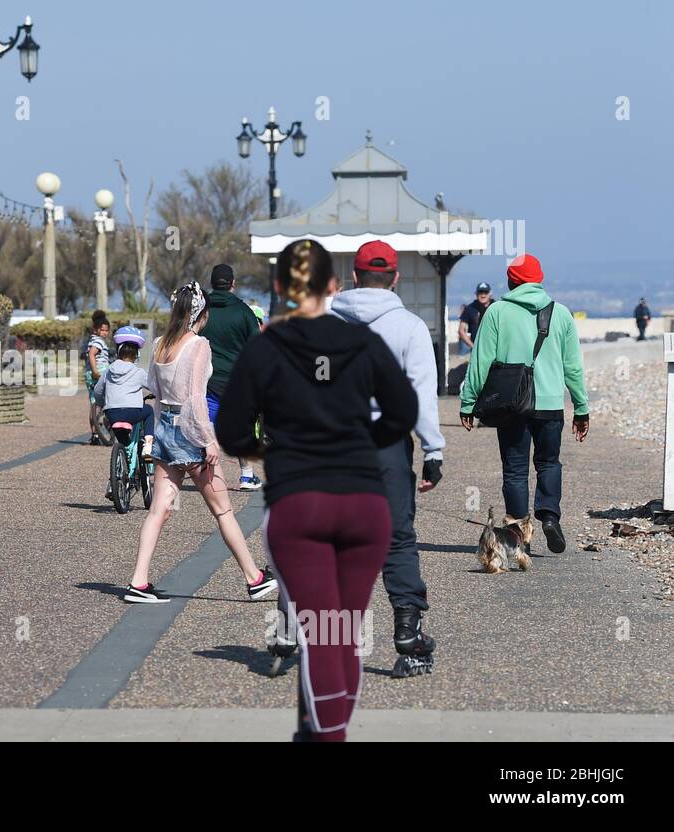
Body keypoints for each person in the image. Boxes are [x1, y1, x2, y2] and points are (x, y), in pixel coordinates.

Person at [217, 239, 417, 742]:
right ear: (334, 285)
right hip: (364, 504)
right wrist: (358, 443)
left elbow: (234, 433)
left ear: (280, 288)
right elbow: (403, 413)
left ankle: (326, 736)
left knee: (321, 634)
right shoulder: (363, 344)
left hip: (299, 503)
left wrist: (273, 451)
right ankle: (323, 731)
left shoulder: (266, 349)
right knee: (342, 633)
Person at [330, 240, 445, 677]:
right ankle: (408, 629)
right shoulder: (410, 327)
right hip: (388, 447)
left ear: (354, 276)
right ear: (395, 278)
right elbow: (420, 396)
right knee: (397, 538)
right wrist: (433, 450)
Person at [123, 281, 276, 604]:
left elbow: (154, 387)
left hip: (166, 425)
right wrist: (208, 442)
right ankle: (255, 578)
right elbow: (196, 397)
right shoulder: (198, 345)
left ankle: (138, 581)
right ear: (201, 314)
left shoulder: (162, 342)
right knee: (223, 510)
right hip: (191, 431)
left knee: (158, 510)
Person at [460, 254, 588, 554]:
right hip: (550, 404)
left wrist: (468, 402)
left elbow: (480, 361)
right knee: (548, 462)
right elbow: (573, 367)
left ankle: (518, 535)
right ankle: (550, 516)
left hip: (511, 406)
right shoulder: (562, 313)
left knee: (515, 470)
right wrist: (581, 407)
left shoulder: (496, 312)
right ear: (539, 279)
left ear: (510, 281)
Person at [199, 264, 263, 491]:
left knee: (205, 427)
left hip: (205, 380)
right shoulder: (244, 311)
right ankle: (246, 475)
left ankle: (206, 474)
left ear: (212, 283)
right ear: (233, 283)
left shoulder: (203, 311)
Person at [94, 326, 155, 499]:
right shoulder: (138, 372)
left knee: (123, 444)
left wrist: (104, 403)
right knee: (149, 411)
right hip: (132, 413)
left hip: (112, 413)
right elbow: (154, 386)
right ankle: (148, 446)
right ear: (136, 355)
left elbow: (98, 391)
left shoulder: (109, 371)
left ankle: (114, 482)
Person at [85, 311, 112, 444]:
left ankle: (95, 435)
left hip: (91, 374)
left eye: (107, 331)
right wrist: (96, 370)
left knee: (93, 403)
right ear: (96, 330)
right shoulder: (98, 341)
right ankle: (105, 425)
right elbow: (92, 354)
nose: (105, 333)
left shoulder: (91, 340)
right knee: (107, 401)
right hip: (99, 373)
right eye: (103, 330)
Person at [458, 282, 493, 354]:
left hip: (493, 349)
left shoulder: (496, 307)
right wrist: (473, 347)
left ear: (490, 294)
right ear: (476, 294)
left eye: (485, 292)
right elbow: (461, 330)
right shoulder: (469, 308)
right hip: (476, 351)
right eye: (480, 292)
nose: (483, 295)